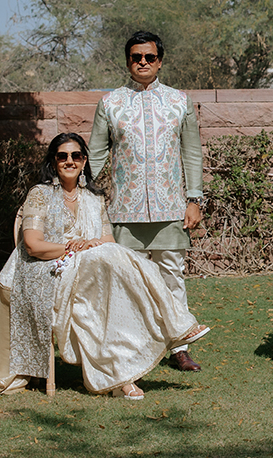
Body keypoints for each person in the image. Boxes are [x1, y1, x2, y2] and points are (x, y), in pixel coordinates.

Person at [0, 133, 209, 399]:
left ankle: (124, 371)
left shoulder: (93, 199)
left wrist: (88, 245)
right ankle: (173, 329)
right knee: (118, 269)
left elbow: (108, 243)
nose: (69, 161)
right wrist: (72, 247)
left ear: (84, 161)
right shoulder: (39, 195)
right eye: (62, 156)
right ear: (53, 162)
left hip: (87, 265)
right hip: (43, 269)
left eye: (76, 156)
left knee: (121, 271)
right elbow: (32, 246)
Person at [87, 31, 206, 372]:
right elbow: (95, 155)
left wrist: (194, 199)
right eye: (136, 57)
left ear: (160, 61)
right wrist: (87, 200)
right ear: (127, 61)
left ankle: (179, 346)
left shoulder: (179, 101)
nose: (142, 62)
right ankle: (134, 345)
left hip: (171, 207)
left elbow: (192, 152)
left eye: (149, 57)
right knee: (129, 281)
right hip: (125, 210)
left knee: (172, 275)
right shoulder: (110, 104)